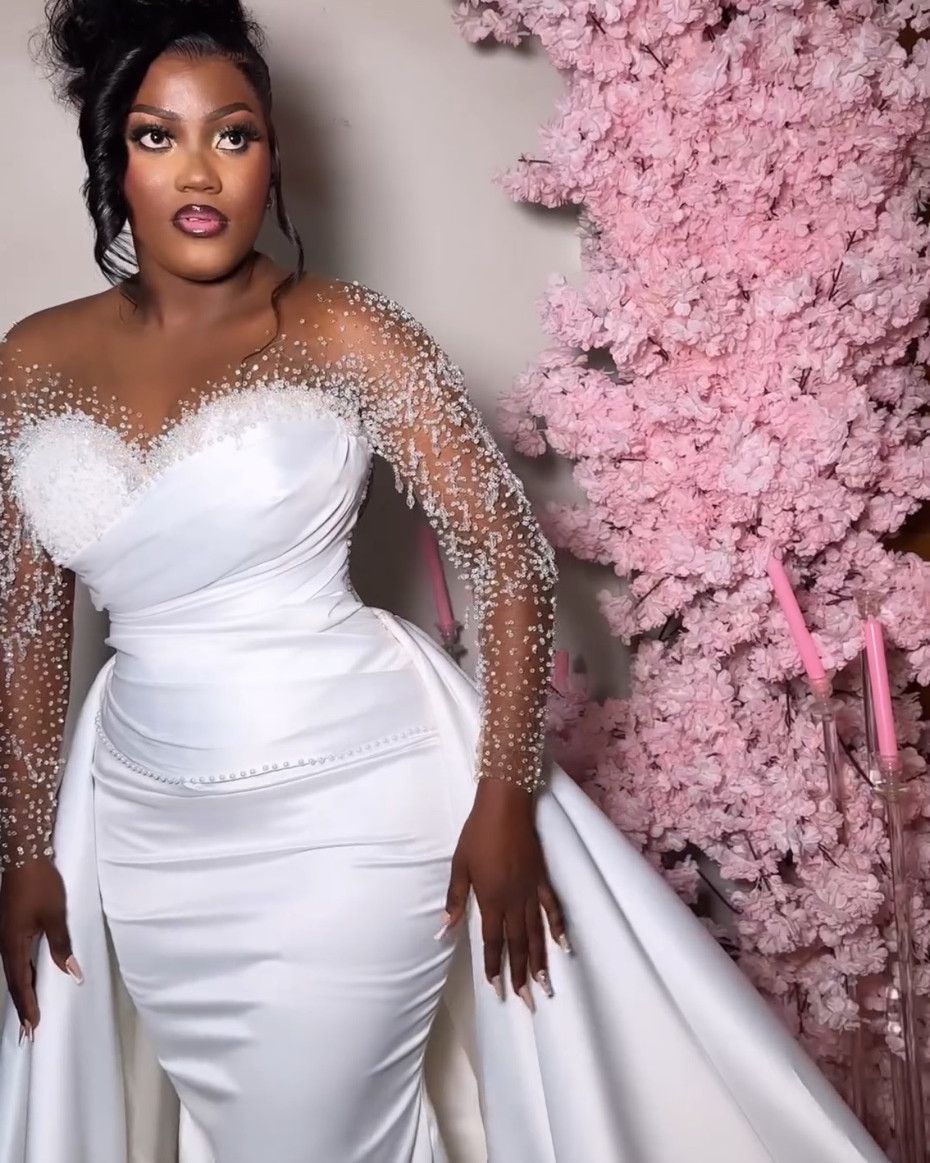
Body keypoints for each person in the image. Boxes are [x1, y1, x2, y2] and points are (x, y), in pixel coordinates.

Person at [0, 3, 893, 1162]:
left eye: (234, 133)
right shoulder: (33, 359)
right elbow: (30, 629)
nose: (201, 171)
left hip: (355, 808)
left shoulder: (346, 332)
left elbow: (510, 557)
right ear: (112, 157)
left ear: (273, 154)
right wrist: (26, 850)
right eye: (158, 137)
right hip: (150, 828)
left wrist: (503, 801)